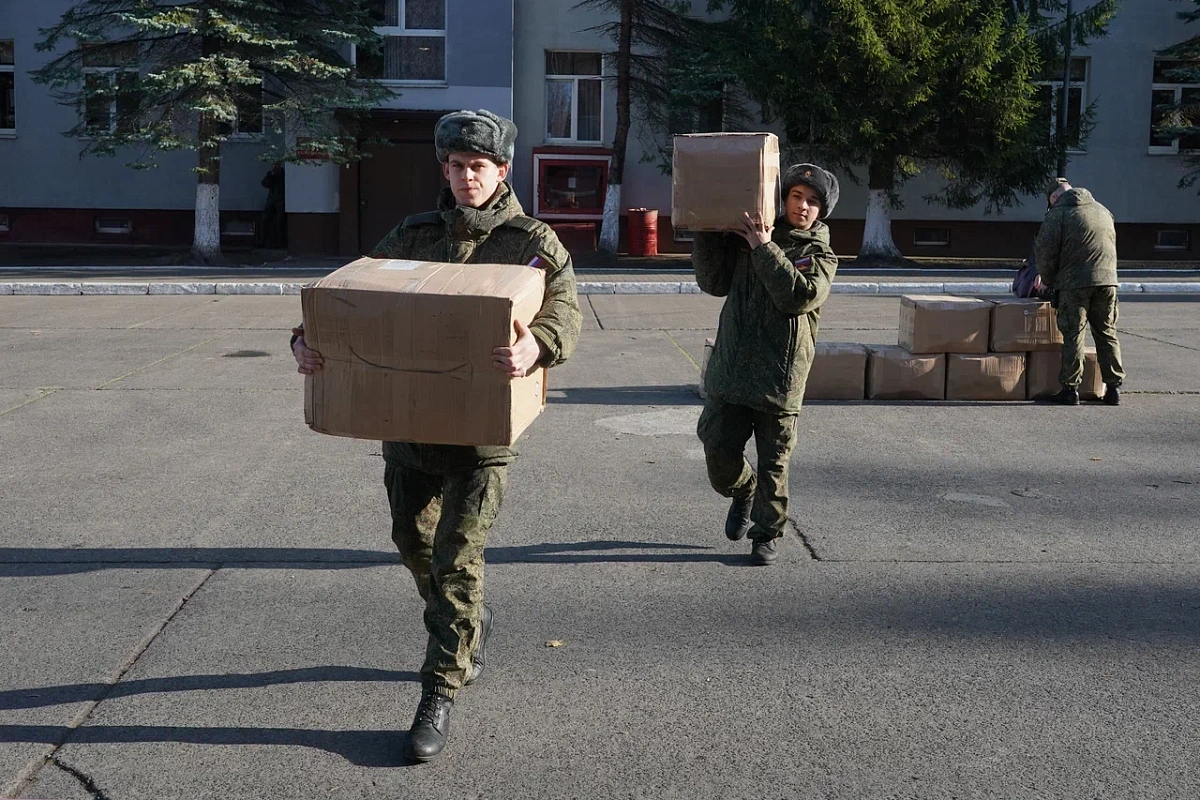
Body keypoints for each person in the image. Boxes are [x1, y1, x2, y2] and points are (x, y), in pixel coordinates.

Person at [290, 109, 582, 761]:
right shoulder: (414, 233)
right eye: (455, 166)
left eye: (477, 166)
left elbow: (565, 309)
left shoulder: (530, 241)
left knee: (457, 558)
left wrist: (537, 345)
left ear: (501, 171)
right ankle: (467, 622)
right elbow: (354, 298)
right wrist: (309, 341)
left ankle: (440, 689)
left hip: (482, 437)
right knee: (409, 538)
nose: (465, 177)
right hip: (410, 427)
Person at [693, 164, 840, 565]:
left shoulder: (819, 254)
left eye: (812, 202)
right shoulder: (751, 235)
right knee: (718, 450)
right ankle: (742, 490)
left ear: (821, 211)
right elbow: (713, 283)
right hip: (733, 368)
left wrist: (764, 247)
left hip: (780, 377)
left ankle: (766, 533)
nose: (803, 207)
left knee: (774, 463)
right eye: (797, 197)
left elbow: (798, 295)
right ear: (783, 198)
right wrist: (708, 231)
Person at [1033, 178, 1124, 406]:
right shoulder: (1103, 210)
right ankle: (1113, 389)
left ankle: (1070, 389)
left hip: (1075, 284)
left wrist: (1046, 280)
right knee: (1106, 332)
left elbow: (1045, 253)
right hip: (1108, 281)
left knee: (1074, 334)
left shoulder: (1058, 214)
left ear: (1054, 198)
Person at [260, 162, 286, 249]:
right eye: (273, 164)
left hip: (280, 200)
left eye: (276, 164)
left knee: (280, 222)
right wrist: (271, 174)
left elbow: (279, 183)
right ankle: (263, 241)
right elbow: (265, 183)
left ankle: (280, 243)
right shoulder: (270, 173)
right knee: (265, 219)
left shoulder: (282, 173)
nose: (274, 166)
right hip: (271, 199)